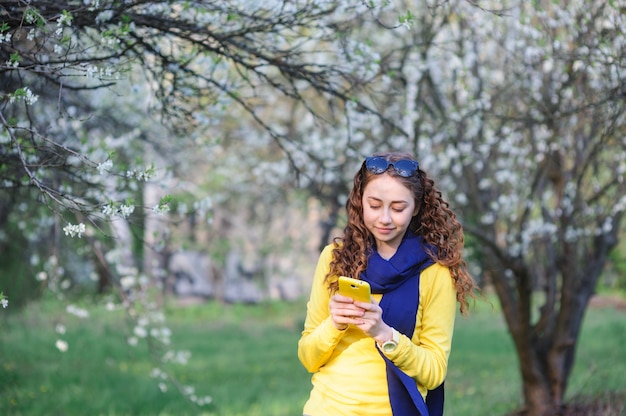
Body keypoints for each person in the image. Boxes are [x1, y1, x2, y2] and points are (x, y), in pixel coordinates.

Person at [298, 151, 477, 416]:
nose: (384, 218)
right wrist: (334, 324)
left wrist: (384, 334)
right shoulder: (334, 258)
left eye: (397, 208)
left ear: (416, 207)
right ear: (361, 202)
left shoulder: (435, 271)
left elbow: (434, 372)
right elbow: (309, 358)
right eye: (374, 205)